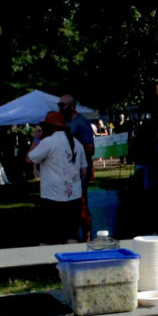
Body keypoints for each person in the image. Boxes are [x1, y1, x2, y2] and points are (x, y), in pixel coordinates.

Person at [26, 111, 88, 244]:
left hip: (52, 197)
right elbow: (84, 170)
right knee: (71, 235)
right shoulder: (76, 143)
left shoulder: (49, 142)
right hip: (74, 197)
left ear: (49, 127)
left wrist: (36, 139)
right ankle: (71, 262)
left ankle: (47, 263)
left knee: (48, 237)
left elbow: (29, 158)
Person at [58, 93, 96, 241]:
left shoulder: (81, 123)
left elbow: (91, 149)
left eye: (62, 105)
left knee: (81, 204)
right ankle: (72, 235)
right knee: (69, 205)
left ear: (72, 106)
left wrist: (73, 150)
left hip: (80, 172)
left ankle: (87, 236)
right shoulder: (62, 122)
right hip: (65, 172)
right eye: (59, 105)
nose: (60, 108)